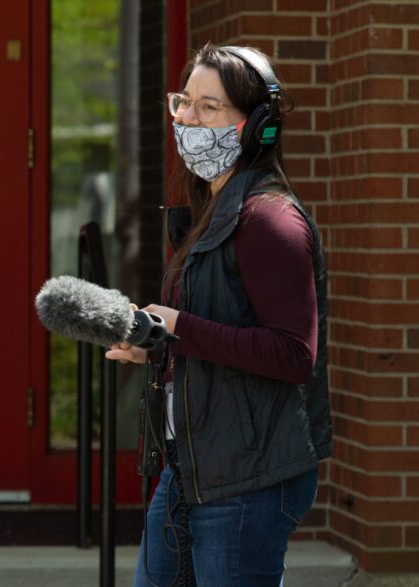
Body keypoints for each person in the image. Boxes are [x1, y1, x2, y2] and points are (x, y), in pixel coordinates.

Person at [106, 44, 331, 586]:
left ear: (255, 127)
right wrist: (157, 343)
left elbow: (292, 353)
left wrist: (180, 327)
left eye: (210, 108)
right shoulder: (214, 213)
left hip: (248, 480)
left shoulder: (270, 221)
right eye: (184, 102)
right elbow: (219, 331)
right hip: (190, 468)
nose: (188, 118)